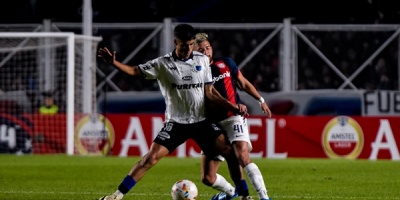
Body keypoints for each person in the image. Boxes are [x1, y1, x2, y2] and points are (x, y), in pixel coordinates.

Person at [96, 24, 247, 200]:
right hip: (176, 123)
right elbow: (134, 70)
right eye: (184, 44)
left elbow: (210, 93)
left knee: (230, 152)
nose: (188, 48)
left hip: (202, 122)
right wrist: (114, 63)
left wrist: (232, 107)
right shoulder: (162, 64)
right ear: (175, 42)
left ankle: (243, 195)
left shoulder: (202, 60)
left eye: (191, 44)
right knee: (150, 159)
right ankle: (117, 195)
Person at [194, 32, 273, 200]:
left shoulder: (226, 63)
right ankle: (233, 192)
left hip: (233, 118)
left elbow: (243, 83)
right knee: (207, 178)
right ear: (194, 53)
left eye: (207, 48)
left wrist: (261, 100)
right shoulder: (194, 74)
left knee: (242, 156)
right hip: (212, 123)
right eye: (201, 50)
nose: (206, 52)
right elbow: (209, 95)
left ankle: (263, 197)